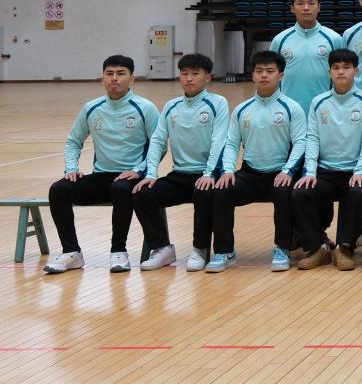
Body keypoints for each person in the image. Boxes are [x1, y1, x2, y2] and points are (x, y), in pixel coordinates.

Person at [43, 55, 160, 275]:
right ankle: (71, 252)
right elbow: (73, 141)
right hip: (101, 177)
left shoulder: (145, 108)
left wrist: (139, 170)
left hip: (132, 178)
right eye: (109, 73)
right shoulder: (91, 107)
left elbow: (158, 145)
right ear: (102, 78)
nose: (114, 78)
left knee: (120, 188)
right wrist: (71, 168)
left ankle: (119, 251)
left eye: (121, 73)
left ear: (132, 79)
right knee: (59, 189)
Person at [132, 54, 229, 272]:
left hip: (206, 174)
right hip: (179, 175)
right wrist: (151, 173)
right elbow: (158, 140)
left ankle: (200, 249)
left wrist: (209, 174)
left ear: (208, 78)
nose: (189, 78)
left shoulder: (218, 103)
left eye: (195, 74)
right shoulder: (171, 106)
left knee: (204, 194)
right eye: (184, 74)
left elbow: (219, 140)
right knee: (142, 194)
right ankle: (161, 248)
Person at [211, 51, 306, 272]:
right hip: (250, 174)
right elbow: (231, 144)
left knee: (284, 192)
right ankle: (224, 250)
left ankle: (282, 248)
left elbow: (300, 142)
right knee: (221, 190)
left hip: (280, 173)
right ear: (253, 75)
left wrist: (288, 171)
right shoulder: (241, 110)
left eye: (270, 71)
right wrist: (227, 170)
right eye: (259, 71)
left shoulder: (292, 108)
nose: (264, 75)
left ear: (281, 76)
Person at [291, 49, 362, 271]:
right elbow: (312, 139)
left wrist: (360, 171)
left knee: (359, 192)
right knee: (300, 192)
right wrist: (310, 172)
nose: (341, 72)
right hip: (325, 172)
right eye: (336, 68)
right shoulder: (318, 102)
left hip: (354, 171)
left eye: (346, 67)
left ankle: (344, 248)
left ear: (356, 71)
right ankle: (317, 248)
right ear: (329, 72)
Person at [271, 0, 344, 111]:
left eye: (311, 3)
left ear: (318, 7)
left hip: (325, 109)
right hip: (288, 109)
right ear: (292, 8)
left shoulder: (334, 39)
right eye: (300, 3)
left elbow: (344, 75)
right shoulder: (280, 40)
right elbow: (271, 75)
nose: (306, 8)